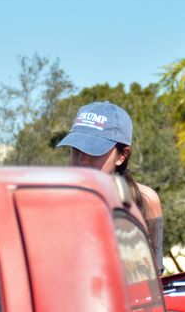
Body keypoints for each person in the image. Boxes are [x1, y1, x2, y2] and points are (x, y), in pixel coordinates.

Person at [57, 101, 165, 273]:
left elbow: (153, 277)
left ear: (122, 155)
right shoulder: (54, 202)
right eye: (76, 149)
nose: (82, 159)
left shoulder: (145, 201)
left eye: (94, 150)